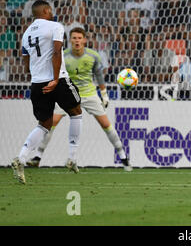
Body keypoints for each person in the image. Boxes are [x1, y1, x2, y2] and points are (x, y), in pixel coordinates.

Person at [27, 27, 132, 172]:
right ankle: (37, 157)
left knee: (106, 124)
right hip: (68, 93)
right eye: (74, 38)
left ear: (84, 40)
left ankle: (123, 157)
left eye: (79, 38)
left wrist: (104, 94)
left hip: (89, 94)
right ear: (70, 40)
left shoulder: (93, 56)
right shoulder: (63, 56)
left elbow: (99, 75)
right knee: (51, 122)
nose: (77, 40)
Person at [11, 0, 83, 184]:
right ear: (46, 10)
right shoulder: (55, 26)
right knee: (76, 112)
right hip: (57, 79)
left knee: (44, 124)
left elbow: (26, 63)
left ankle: (22, 157)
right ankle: (72, 158)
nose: (53, 13)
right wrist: (56, 79)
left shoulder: (26, 34)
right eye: (51, 10)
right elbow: (57, 52)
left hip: (37, 83)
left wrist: (39, 77)